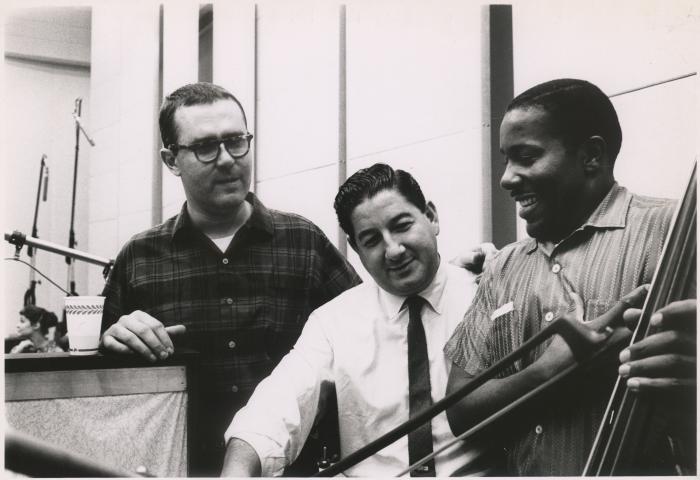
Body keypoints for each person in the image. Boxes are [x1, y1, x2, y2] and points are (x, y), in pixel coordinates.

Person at [99, 82, 362, 475]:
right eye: (205, 147)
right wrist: (113, 339)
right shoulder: (139, 258)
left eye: (237, 141)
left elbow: (367, 333)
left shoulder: (304, 242)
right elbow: (106, 388)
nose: (226, 160)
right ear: (171, 160)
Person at [444, 78, 696, 476]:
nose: (506, 178)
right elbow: (460, 413)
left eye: (525, 157)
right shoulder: (503, 266)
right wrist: (551, 371)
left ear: (592, 155)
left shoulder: (679, 228)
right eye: (506, 160)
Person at [221, 163, 493, 477]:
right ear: (356, 249)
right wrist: (239, 466)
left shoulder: (485, 295)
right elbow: (277, 406)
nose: (393, 250)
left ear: (431, 217)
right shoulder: (333, 322)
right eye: (372, 239)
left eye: (402, 225)